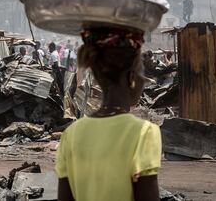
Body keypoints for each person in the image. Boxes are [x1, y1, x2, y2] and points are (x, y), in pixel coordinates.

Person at [56, 27, 161, 201]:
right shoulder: (144, 133)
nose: (145, 80)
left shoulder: (71, 134)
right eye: (143, 72)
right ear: (131, 77)